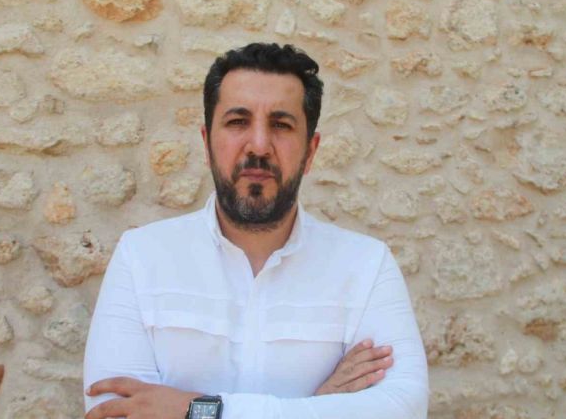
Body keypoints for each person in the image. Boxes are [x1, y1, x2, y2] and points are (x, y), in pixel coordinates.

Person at [83, 43, 429, 419]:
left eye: (281, 125)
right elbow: (112, 411)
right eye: (238, 122)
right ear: (206, 144)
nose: (260, 145)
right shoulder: (141, 256)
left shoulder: (366, 266)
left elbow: (403, 408)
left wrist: (196, 411)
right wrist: (319, 404)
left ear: (311, 151)